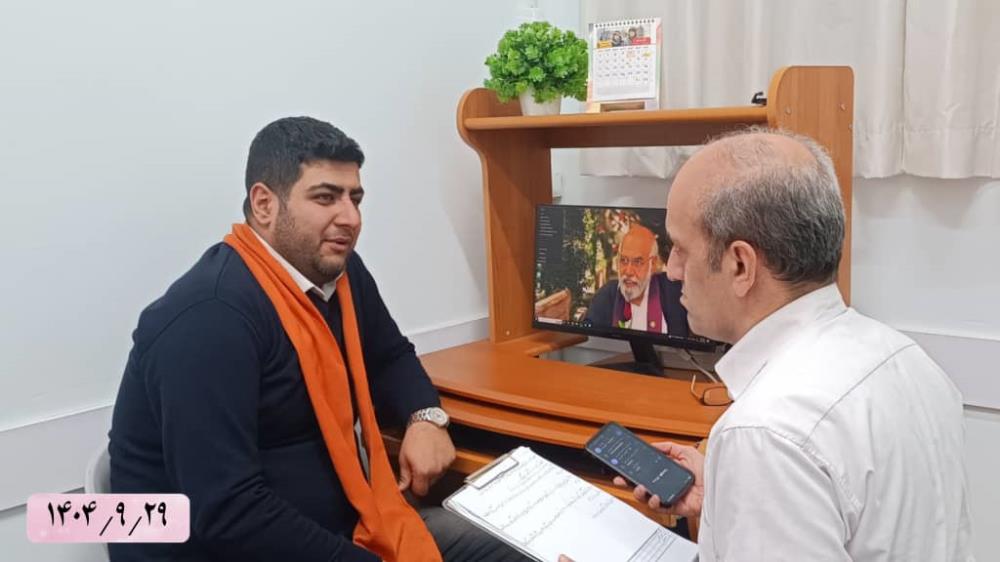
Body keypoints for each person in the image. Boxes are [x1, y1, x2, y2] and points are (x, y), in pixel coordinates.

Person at [108, 116, 526, 562]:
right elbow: (229, 513)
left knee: (522, 545)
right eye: (326, 197)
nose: (350, 218)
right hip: (233, 552)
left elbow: (389, 356)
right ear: (264, 204)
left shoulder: (338, 274)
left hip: (349, 529)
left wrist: (425, 418)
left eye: (355, 198)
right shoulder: (209, 318)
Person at [582, 129, 973, 561]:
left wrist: (755, 479)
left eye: (680, 249)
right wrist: (730, 498)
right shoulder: (905, 358)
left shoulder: (765, 434)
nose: (672, 271)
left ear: (741, 265)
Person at [585, 224, 689, 337]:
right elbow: (586, 336)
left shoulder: (674, 291)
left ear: (653, 264)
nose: (628, 271)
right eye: (624, 260)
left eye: (637, 262)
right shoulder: (607, 295)